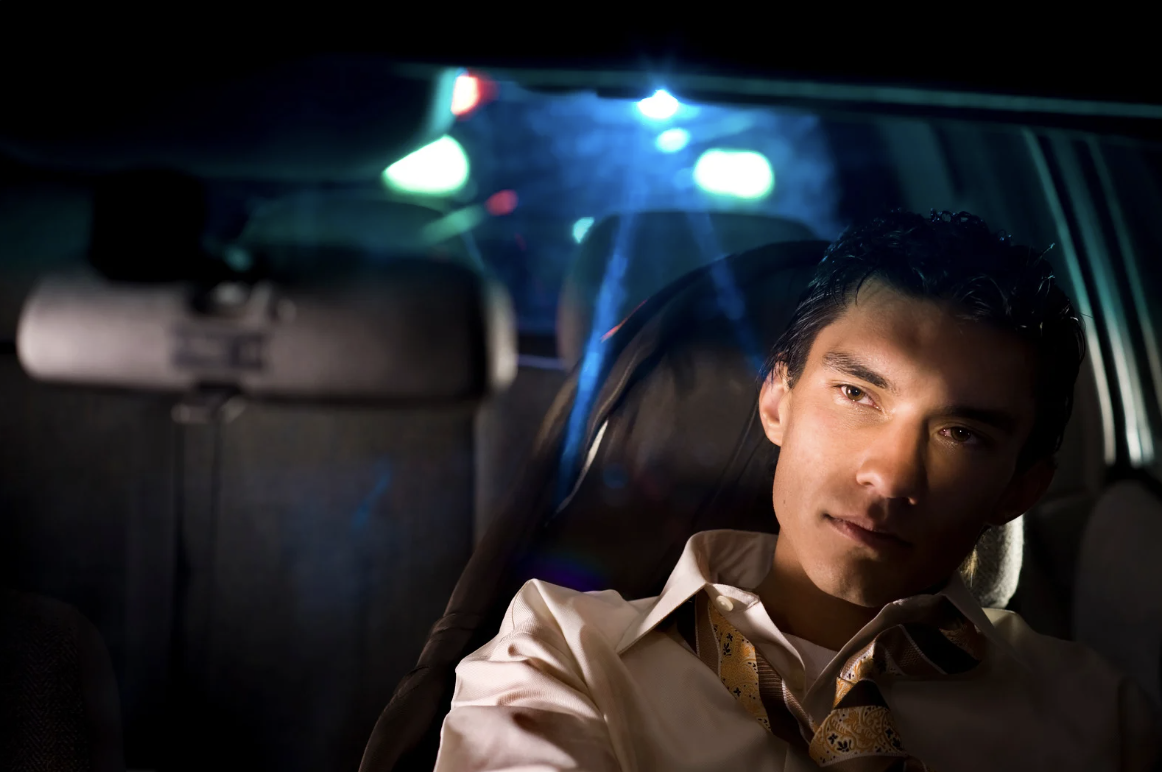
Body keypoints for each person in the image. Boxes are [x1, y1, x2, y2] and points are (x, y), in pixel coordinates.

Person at [433, 211, 1161, 771]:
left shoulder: (1098, 718)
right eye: (856, 393)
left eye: (962, 434)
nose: (889, 476)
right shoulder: (564, 652)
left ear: (1023, 487)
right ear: (777, 399)